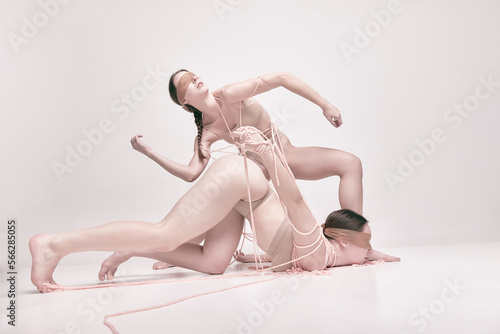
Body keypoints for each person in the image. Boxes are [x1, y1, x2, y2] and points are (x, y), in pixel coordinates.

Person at [29, 127, 398, 293]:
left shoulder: (328, 252)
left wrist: (371, 251)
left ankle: (132, 247)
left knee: (214, 262)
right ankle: (54, 244)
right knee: (167, 233)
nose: (368, 255)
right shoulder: (317, 248)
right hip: (241, 180)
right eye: (366, 246)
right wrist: (265, 150)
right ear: (345, 242)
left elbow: (274, 253)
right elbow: (296, 200)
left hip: (245, 200)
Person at [131, 70, 363, 214]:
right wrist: (149, 153)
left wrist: (326, 105)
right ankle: (179, 247)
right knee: (216, 197)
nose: (195, 79)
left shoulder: (230, 94)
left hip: (284, 153)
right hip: (258, 170)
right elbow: (191, 174)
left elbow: (283, 78)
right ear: (184, 101)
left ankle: (358, 242)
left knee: (351, 164)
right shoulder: (207, 133)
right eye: (187, 83)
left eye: (193, 75)